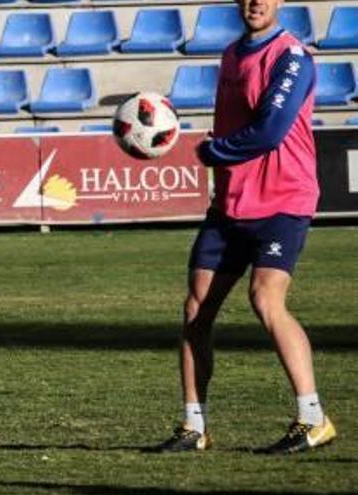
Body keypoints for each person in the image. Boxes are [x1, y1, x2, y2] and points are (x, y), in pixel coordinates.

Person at [155, 0, 335, 454]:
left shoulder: (292, 57)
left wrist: (215, 152)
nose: (256, 2)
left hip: (283, 199)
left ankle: (313, 419)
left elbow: (271, 128)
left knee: (265, 298)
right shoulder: (233, 54)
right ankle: (194, 427)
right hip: (231, 204)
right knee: (196, 311)